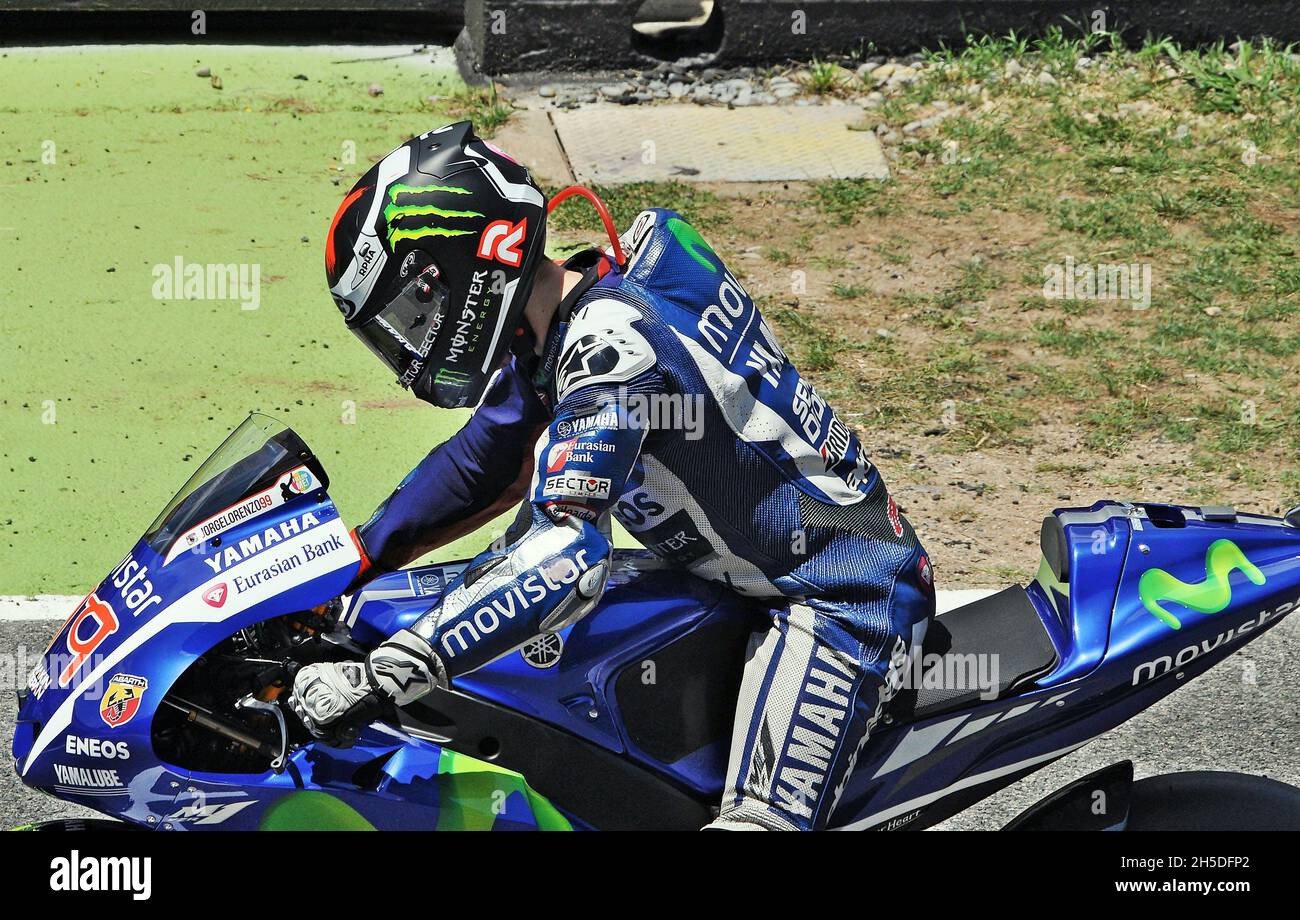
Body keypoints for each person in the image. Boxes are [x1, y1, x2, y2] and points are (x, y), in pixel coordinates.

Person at [289, 120, 935, 830]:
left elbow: (566, 553)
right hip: (736, 575)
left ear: (471, 266)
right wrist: (350, 560)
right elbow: (488, 461)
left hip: (839, 597)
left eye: (415, 305)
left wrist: (387, 674)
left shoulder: (612, 353)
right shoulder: (591, 299)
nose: (412, 336)